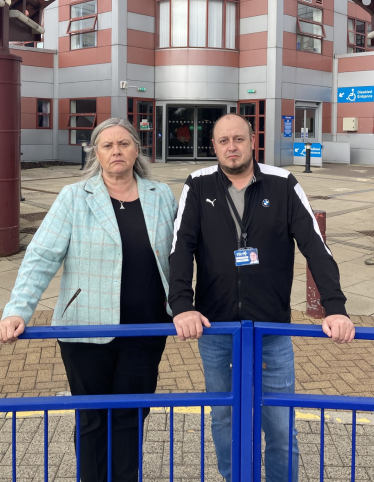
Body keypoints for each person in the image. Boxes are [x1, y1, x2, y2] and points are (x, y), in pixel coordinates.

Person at [169, 113, 354, 482]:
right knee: (224, 418)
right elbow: (180, 249)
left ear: (253, 140)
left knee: (281, 424)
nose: (231, 147)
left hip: (270, 329)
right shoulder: (198, 184)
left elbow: (315, 248)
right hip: (217, 329)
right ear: (215, 146)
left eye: (238, 139)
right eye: (223, 141)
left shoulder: (283, 184)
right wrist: (182, 306)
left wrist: (335, 308)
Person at [0, 117, 177, 482]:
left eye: (124, 144)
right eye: (108, 145)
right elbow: (41, 256)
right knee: (93, 418)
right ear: (95, 153)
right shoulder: (74, 197)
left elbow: (181, 255)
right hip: (85, 328)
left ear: (136, 149)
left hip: (145, 331)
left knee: (132, 414)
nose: (117, 151)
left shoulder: (161, 196)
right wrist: (19, 308)